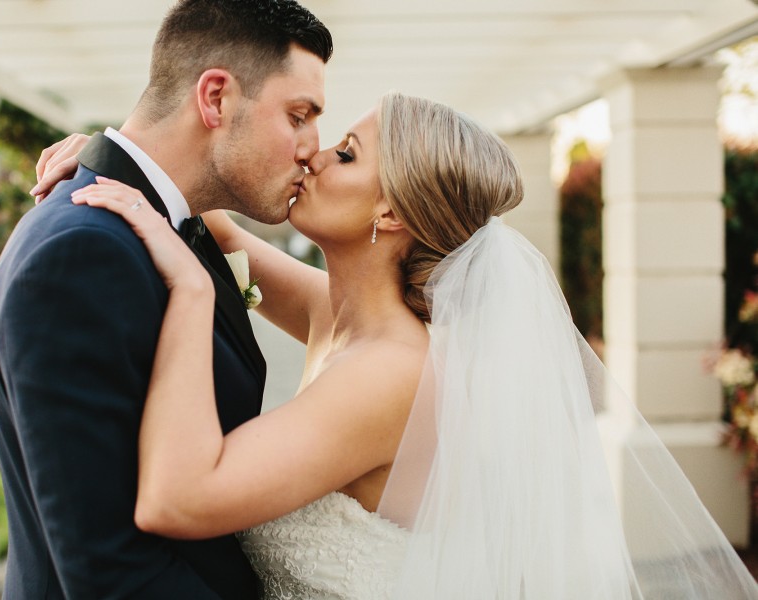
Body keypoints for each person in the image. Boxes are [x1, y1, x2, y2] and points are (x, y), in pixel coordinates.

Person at [40, 91, 758, 599]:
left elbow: (176, 500)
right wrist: (114, 154)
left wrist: (195, 298)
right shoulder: (341, 312)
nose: (315, 156)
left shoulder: (388, 374)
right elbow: (214, 226)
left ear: (390, 212)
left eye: (347, 154)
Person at [0, 1, 332, 598]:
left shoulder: (165, 227)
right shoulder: (83, 254)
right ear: (215, 98)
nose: (312, 150)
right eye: (298, 116)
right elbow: (110, 570)